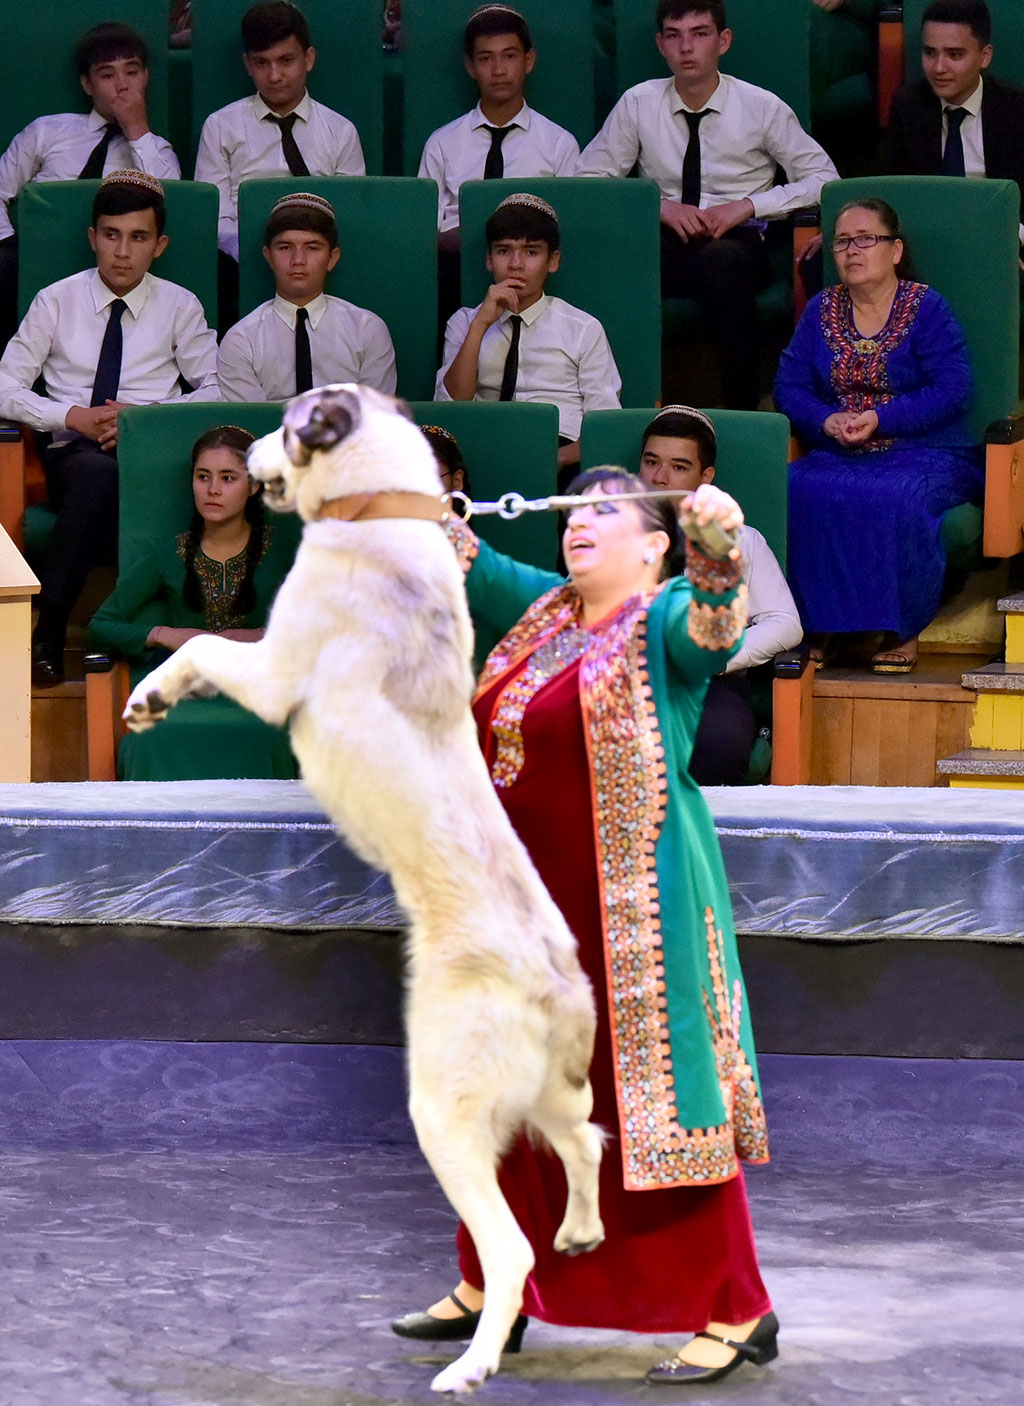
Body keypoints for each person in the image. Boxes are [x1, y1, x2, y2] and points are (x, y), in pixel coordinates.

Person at [392, 470, 776, 1385]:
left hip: (635, 919)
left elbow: (716, 624)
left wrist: (717, 548)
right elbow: (462, 553)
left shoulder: (663, 620)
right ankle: (494, 1281)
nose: (580, 523)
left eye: (608, 509)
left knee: (659, 1108)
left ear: (654, 545)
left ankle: (737, 1306)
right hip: (525, 913)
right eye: (575, 508)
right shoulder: (548, 615)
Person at [0, 170, 219, 687]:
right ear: (92, 238)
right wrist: (69, 414)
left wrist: (145, 419)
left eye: (138, 238)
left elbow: (217, 387)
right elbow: (5, 386)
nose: (123, 251)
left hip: (150, 454)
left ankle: (117, 634)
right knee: (99, 478)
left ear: (159, 245)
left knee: (139, 480)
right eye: (112, 235)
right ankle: (54, 631)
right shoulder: (56, 301)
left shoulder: (179, 306)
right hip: (72, 453)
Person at [575, 0, 837, 409]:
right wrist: (658, 206)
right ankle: (622, 408)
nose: (686, 48)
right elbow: (588, 179)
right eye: (674, 36)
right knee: (618, 260)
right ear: (661, 45)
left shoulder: (760, 106)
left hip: (738, 244)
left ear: (723, 41)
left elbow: (824, 180)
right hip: (662, 241)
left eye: (700, 34)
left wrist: (748, 205)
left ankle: (741, 410)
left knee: (722, 263)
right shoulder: (639, 102)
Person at [774, 197, 983, 673]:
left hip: (927, 451)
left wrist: (881, 419)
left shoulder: (926, 307)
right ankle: (818, 624)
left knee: (896, 499)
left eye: (866, 238)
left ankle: (902, 628)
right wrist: (824, 420)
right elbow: (788, 386)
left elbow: (954, 389)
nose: (852, 250)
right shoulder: (822, 309)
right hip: (839, 450)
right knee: (795, 489)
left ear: (895, 250)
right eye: (843, 241)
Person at [89, 425, 297, 780]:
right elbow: (101, 624)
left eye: (228, 478)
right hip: (182, 689)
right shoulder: (168, 553)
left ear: (254, 485)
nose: (213, 490)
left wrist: (264, 636)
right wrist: (163, 634)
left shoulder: (281, 554)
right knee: (144, 739)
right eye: (203, 477)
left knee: (267, 736)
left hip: (260, 690)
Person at [638, 406, 802, 783]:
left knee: (717, 741)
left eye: (679, 467)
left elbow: (785, 623)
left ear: (704, 477)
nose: (660, 478)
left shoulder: (742, 540)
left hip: (710, 686)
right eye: (651, 462)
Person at [0, 22, 180, 347]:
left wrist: (137, 128)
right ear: (87, 83)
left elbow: (174, 203)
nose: (122, 86)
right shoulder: (47, 131)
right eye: (108, 75)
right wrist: (11, 246)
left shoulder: (157, 150)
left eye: (132, 72)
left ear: (146, 77)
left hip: (121, 261)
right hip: (36, 255)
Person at [435, 192, 620, 478]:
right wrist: (481, 325)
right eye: (504, 250)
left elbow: (605, 423)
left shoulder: (583, 328)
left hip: (560, 450)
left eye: (531, 251)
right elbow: (451, 407)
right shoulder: (464, 322)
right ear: (489, 259)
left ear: (553, 260)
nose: (516, 264)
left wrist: (555, 458)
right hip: (484, 448)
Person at [195, 1, 365, 264]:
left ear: (308, 59)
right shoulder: (220, 126)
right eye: (262, 63)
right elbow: (215, 217)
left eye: (286, 61)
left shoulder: (341, 131)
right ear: (248, 64)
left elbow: (348, 215)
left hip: (320, 264)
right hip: (243, 261)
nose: (274, 76)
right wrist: (262, 256)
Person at [419, 5, 580, 240]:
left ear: (529, 61)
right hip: (455, 262)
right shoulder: (442, 143)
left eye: (510, 56)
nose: (498, 70)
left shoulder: (558, 144)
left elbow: (568, 225)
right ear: (470, 66)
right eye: (485, 59)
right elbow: (425, 228)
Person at [217, 192, 397, 400]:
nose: (298, 260)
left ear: (332, 258)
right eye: (285, 248)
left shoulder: (368, 330)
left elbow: (374, 416)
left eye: (312, 248)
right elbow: (251, 422)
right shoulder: (241, 340)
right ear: (269, 257)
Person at [876, 0, 1024, 239]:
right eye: (930, 53)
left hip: (1004, 236)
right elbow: (887, 188)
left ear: (985, 56)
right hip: (931, 238)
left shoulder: (1015, 110)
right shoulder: (910, 105)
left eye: (954, 54)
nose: (939, 67)